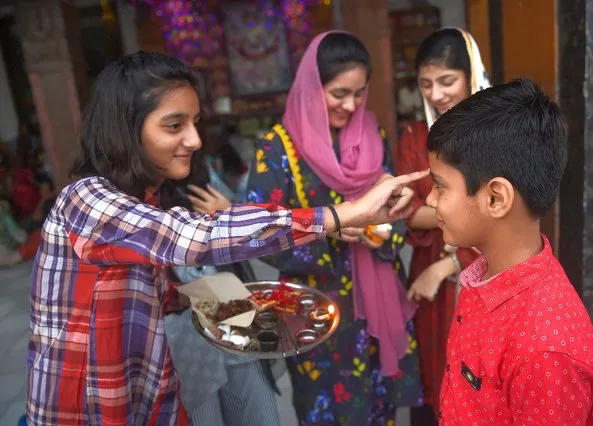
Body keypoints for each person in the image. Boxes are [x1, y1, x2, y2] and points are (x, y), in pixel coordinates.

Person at [26, 51, 425, 426]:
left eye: (195, 122)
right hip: (84, 410)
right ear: (125, 130)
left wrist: (210, 294)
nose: (195, 140)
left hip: (146, 398)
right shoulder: (85, 200)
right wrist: (343, 215)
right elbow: (190, 238)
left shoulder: (143, 199)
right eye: (173, 125)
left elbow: (139, 291)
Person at [245, 31, 422, 425]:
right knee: (325, 410)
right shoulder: (278, 148)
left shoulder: (371, 135)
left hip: (375, 308)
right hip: (318, 312)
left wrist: (387, 223)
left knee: (381, 409)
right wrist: (330, 227)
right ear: (312, 86)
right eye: (339, 93)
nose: (351, 104)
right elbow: (259, 234)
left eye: (359, 93)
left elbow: (389, 206)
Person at [427, 77, 593, 424]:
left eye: (439, 186)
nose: (429, 199)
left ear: (496, 198)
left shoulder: (545, 351)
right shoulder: (484, 275)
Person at [395, 28, 490, 423]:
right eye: (425, 84)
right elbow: (406, 212)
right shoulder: (416, 136)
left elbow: (503, 217)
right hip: (429, 279)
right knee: (437, 370)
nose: (436, 94)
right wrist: (468, 210)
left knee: (482, 377)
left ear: (471, 75)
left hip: (484, 269)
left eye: (447, 81)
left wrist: (446, 265)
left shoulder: (496, 133)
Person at [164, 149, 281, 426]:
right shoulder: (132, 199)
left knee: (260, 413)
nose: (190, 139)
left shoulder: (200, 172)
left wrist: (231, 215)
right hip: (185, 343)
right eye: (174, 126)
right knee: (204, 415)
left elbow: (253, 234)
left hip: (234, 317)